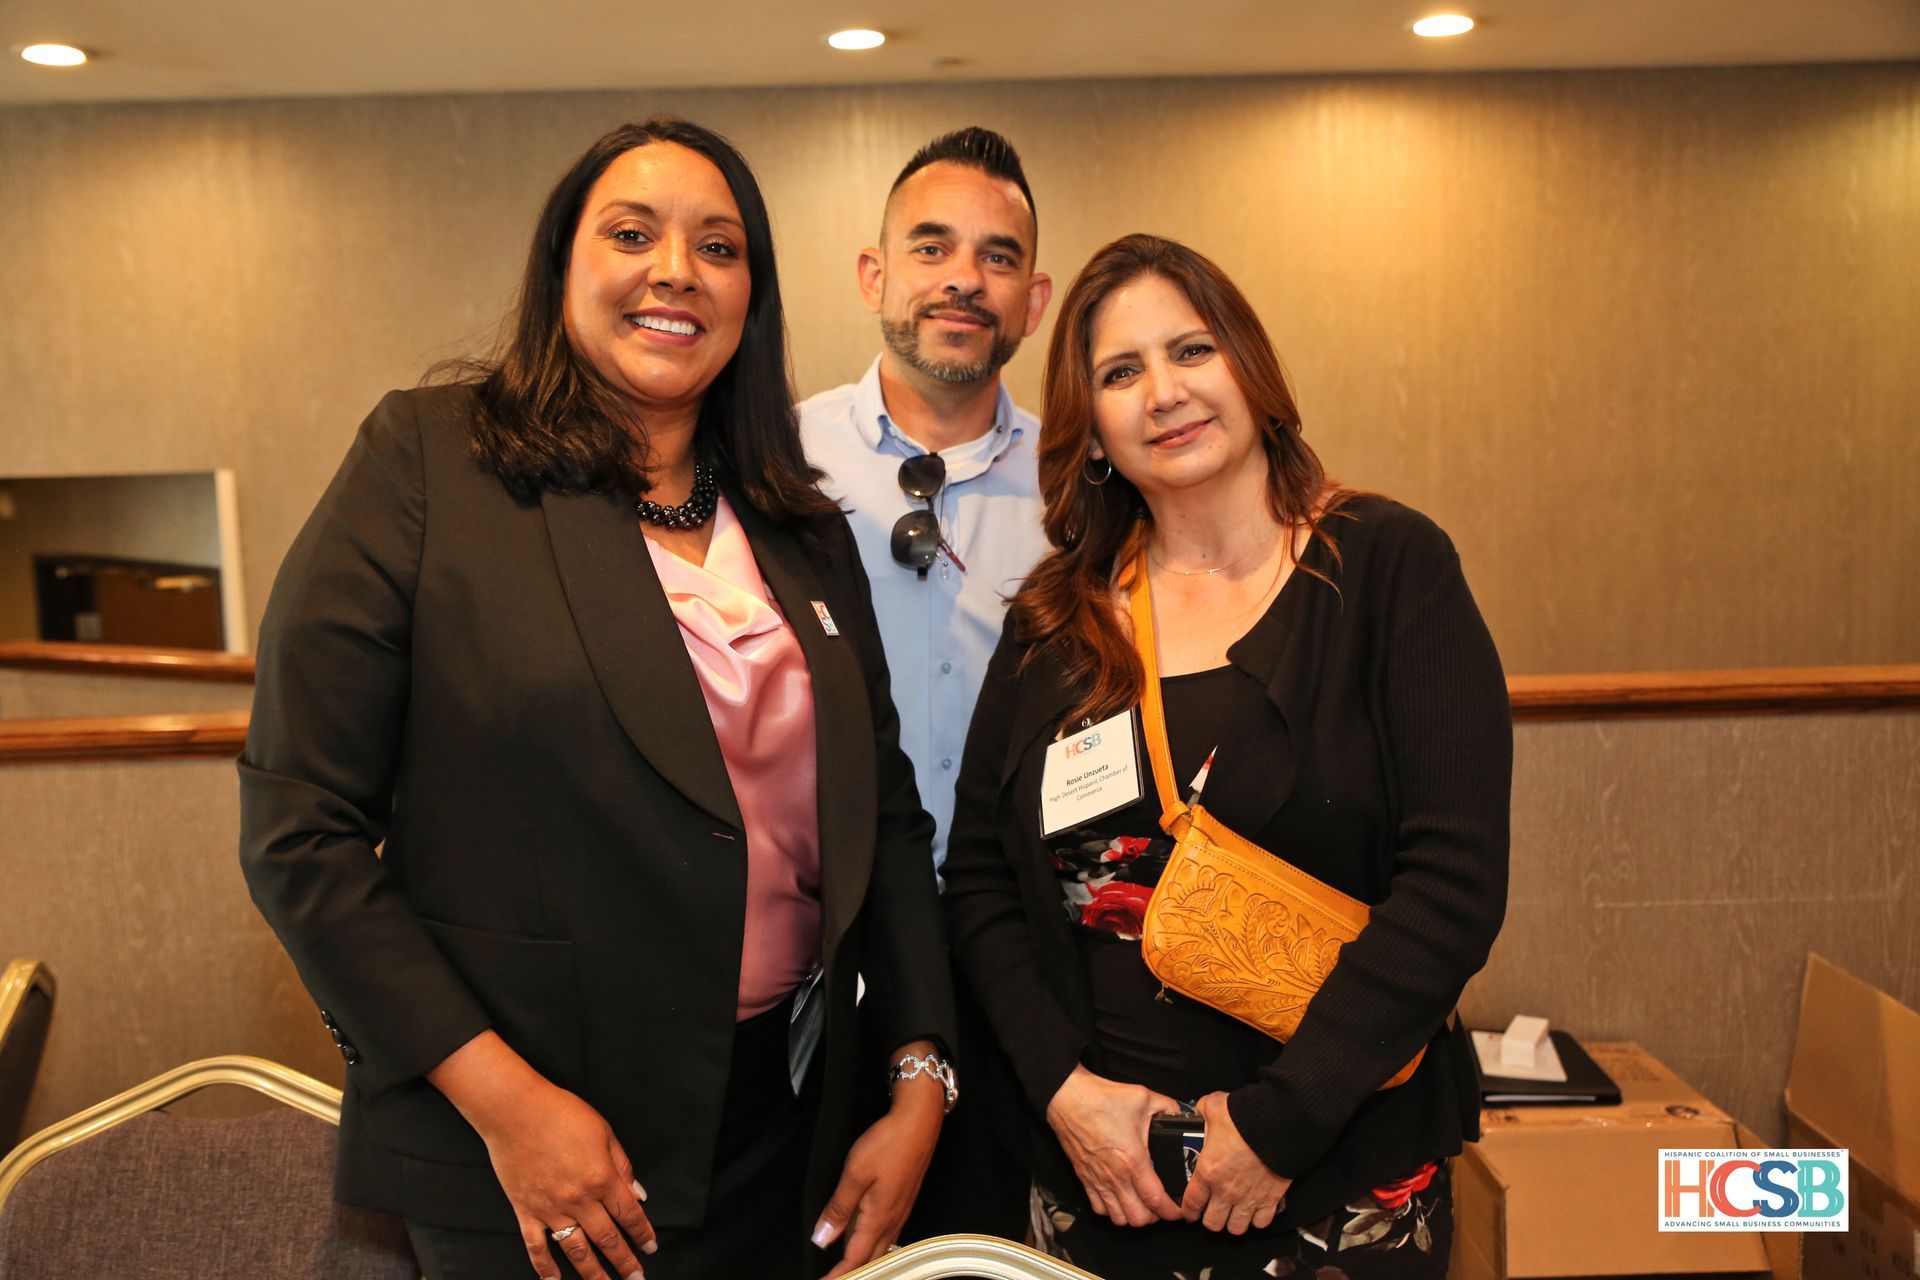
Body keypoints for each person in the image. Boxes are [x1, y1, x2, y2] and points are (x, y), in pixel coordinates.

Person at [239, 117, 957, 1280]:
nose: (677, 268)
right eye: (634, 233)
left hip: (786, 1136)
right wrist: (509, 1105)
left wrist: (920, 1077)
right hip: (531, 1156)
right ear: (562, 265)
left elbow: (890, 821)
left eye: (719, 247)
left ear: (751, 299)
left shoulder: (803, 525)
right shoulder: (429, 464)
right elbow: (298, 830)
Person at [942, 233, 1511, 1278]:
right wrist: (1065, 1092)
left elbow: (1455, 885)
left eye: (1191, 350)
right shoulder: (1054, 618)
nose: (1163, 392)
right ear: (1095, 429)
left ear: (1251, 369)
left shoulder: (1387, 568)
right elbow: (979, 872)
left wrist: (1280, 1125)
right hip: (1102, 1179)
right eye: (1121, 373)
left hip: (1332, 1172)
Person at [797, 126, 1052, 1243]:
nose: (964, 277)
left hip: (1018, 961)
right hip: (820, 958)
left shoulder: (1089, 487)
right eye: (932, 246)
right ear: (874, 276)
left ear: (1034, 299)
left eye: (998, 257)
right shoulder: (772, 462)